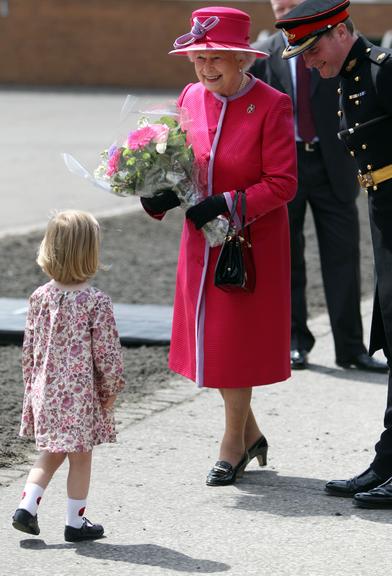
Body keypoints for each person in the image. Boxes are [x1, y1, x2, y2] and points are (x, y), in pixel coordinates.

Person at [141, 6, 297, 486]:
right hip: (198, 244)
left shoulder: (272, 105)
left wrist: (228, 202)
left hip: (247, 245)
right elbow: (182, 164)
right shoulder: (190, 95)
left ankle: (232, 444)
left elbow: (284, 183)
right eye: (197, 58)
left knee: (235, 345)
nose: (204, 69)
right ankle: (249, 433)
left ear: (240, 59)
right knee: (210, 342)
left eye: (215, 59)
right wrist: (158, 193)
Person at [274, 0, 392, 508]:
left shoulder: (382, 72)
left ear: (342, 30)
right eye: (300, 52)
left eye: (314, 47)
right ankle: (387, 461)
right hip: (383, 212)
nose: (308, 62)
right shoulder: (344, 71)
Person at [251, 0, 387, 373]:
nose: (285, 15)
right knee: (287, 257)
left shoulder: (334, 47)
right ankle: (296, 342)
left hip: (335, 166)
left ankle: (351, 348)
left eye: (293, 6)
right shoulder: (266, 54)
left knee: (343, 258)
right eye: (280, 8)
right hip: (286, 168)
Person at [12, 210, 125, 539]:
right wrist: (112, 390)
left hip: (46, 392)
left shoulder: (40, 297)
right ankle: (76, 523)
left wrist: (31, 388)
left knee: (50, 453)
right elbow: (106, 354)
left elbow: (29, 348)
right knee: (80, 457)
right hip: (80, 397)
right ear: (91, 252)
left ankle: (27, 506)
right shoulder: (95, 302)